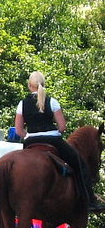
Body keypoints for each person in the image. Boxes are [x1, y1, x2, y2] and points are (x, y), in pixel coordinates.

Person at [13, 71, 103, 211]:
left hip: (30, 142)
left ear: (29, 85)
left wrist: (29, 135)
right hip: (52, 140)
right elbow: (62, 127)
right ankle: (90, 201)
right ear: (44, 84)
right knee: (80, 165)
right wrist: (52, 133)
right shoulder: (52, 102)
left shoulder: (22, 104)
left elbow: (18, 131)